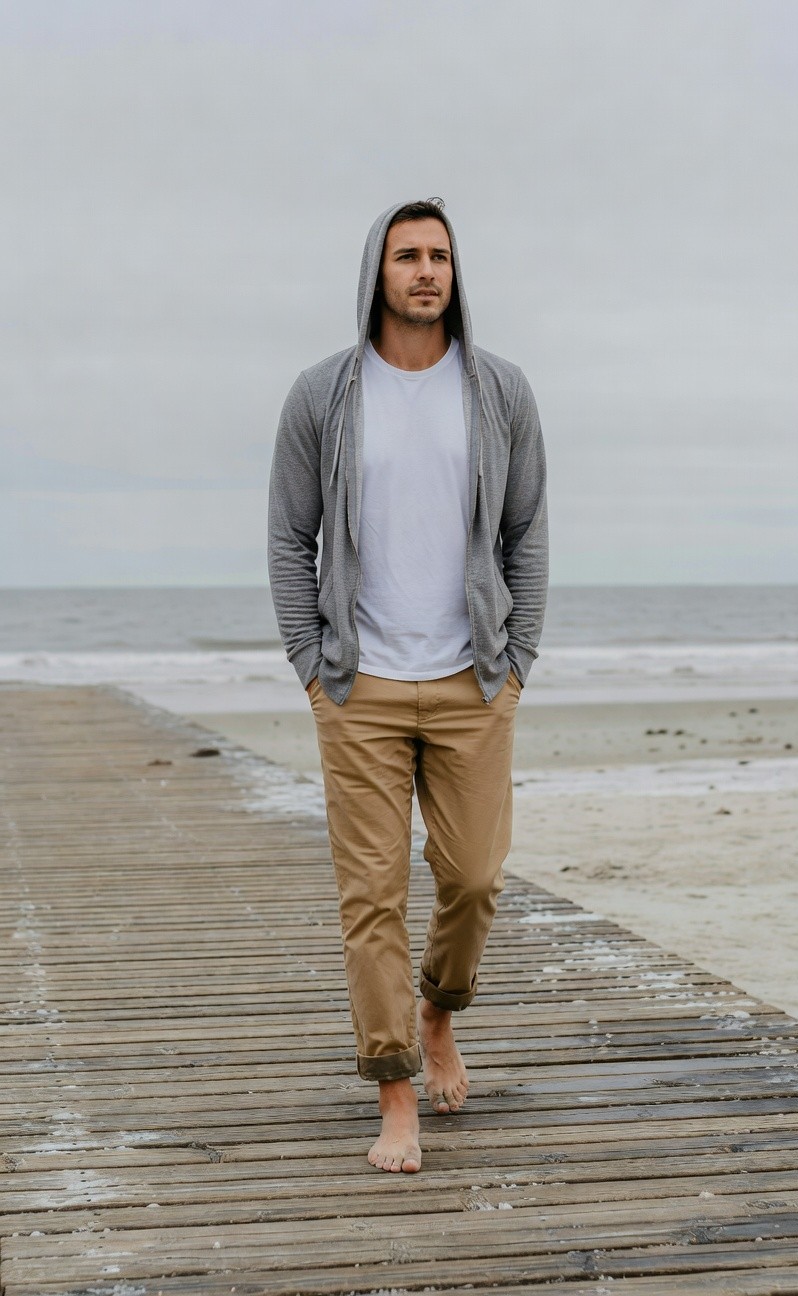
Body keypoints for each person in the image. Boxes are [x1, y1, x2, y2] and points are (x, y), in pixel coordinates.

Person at [268, 197, 548, 1173]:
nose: (426, 271)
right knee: (371, 897)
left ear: (454, 273)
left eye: (439, 256)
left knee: (473, 879)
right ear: (377, 273)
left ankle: (439, 1013)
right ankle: (395, 1093)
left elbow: (527, 534)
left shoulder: (501, 391)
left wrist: (517, 665)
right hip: (362, 686)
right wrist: (314, 669)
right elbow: (288, 538)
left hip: (474, 680)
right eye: (407, 256)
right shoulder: (324, 396)